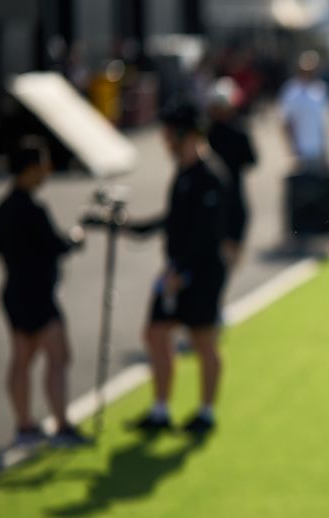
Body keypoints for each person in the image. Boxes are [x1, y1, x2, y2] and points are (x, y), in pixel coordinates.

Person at [126, 104, 231, 436]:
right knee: (155, 333)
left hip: (200, 273)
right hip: (175, 270)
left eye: (170, 133)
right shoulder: (182, 173)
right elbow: (172, 219)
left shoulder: (210, 176)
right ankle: (160, 410)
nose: (164, 140)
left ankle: (206, 413)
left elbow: (206, 234)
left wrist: (180, 272)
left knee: (203, 340)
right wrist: (132, 227)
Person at [0, 137, 91, 447]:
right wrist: (74, 239)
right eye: (43, 165)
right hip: (37, 295)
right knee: (58, 356)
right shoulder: (33, 208)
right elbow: (56, 245)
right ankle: (61, 425)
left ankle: (24, 426)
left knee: (22, 356)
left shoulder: (4, 206)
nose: (47, 171)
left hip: (14, 291)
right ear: (30, 169)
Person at [206, 77, 257, 272]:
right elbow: (252, 160)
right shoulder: (238, 130)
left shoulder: (207, 132)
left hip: (222, 202)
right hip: (232, 202)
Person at [278, 51, 329, 167]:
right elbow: (285, 122)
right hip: (300, 150)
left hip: (320, 149)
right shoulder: (290, 90)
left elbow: (326, 120)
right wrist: (292, 148)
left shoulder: (321, 88)